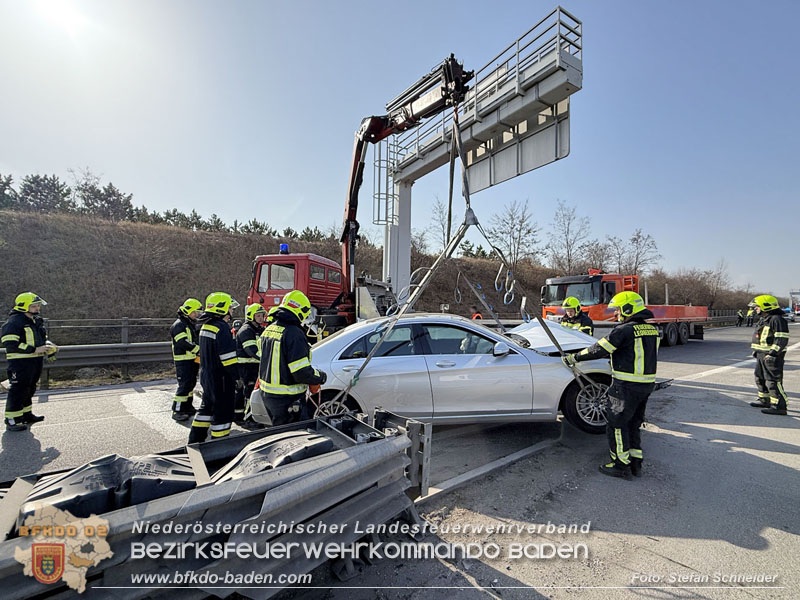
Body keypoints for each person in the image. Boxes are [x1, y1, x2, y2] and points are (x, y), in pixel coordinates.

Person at [563, 291, 659, 479]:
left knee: (616, 425)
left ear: (628, 308)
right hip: (645, 385)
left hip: (625, 386)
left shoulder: (623, 330)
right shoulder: (652, 330)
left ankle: (620, 464)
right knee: (633, 424)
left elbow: (599, 349)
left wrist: (575, 357)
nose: (617, 314)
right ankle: (636, 463)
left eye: (618, 309)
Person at [256, 290, 327, 426]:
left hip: (268, 395)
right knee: (293, 437)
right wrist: (320, 377)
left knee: (279, 434)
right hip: (287, 398)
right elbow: (300, 372)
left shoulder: (269, 329)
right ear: (300, 311)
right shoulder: (294, 334)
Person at [188, 292, 240, 443]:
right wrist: (237, 377)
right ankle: (219, 444)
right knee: (222, 412)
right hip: (221, 378)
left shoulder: (206, 326)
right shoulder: (222, 328)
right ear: (222, 308)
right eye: (230, 308)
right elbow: (228, 359)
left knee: (206, 409)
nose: (232, 311)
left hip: (207, 376)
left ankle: (195, 440)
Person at [1, 293, 49, 431]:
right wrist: (33, 349)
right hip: (20, 362)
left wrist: (48, 348)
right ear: (23, 306)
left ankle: (26, 415)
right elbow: (10, 343)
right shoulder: (14, 322)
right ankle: (12, 420)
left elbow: (41, 340)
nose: (37, 308)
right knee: (18, 390)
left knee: (30, 388)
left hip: (35, 361)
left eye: (38, 305)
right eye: (33, 306)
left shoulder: (36, 321)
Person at [748, 295, 790, 415]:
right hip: (762, 355)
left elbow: (781, 339)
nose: (755, 309)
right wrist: (757, 351)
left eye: (757, 306)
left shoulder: (777, 319)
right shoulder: (765, 319)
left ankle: (780, 406)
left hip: (772, 357)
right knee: (760, 378)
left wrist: (773, 354)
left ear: (765, 306)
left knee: (773, 381)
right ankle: (765, 400)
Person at [170, 298, 202, 421]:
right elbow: (182, 343)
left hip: (191, 360)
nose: (197, 315)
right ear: (188, 312)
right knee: (184, 386)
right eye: (195, 312)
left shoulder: (189, 325)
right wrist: (198, 349)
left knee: (190, 384)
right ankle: (177, 410)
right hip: (183, 361)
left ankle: (187, 407)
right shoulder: (179, 326)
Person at [235, 303, 267, 422]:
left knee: (249, 392)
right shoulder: (246, 330)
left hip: (254, 367)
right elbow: (251, 351)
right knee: (248, 393)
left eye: (262, 315)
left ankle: (243, 416)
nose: (260, 318)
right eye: (257, 315)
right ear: (251, 316)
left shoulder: (259, 329)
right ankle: (247, 419)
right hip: (246, 368)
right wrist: (266, 360)